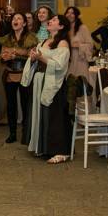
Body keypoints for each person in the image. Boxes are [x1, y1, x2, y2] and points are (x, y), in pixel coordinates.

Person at [27, 14, 72, 163]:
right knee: (42, 114)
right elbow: (37, 59)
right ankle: (44, 147)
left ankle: (61, 151)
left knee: (55, 116)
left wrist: (41, 58)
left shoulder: (62, 44)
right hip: (40, 80)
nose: (50, 21)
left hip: (53, 83)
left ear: (61, 26)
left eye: (54, 20)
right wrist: (33, 58)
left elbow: (60, 65)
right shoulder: (44, 41)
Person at [0, 13, 37, 144]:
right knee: (11, 105)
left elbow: (32, 59)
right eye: (14, 18)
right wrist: (5, 58)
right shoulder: (6, 39)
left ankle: (26, 133)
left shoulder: (31, 38)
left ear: (24, 23)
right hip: (9, 75)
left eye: (19, 19)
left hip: (25, 75)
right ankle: (12, 133)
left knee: (25, 105)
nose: (15, 20)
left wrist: (15, 56)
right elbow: (2, 58)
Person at [64, 6, 92, 79]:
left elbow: (90, 46)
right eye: (68, 13)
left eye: (72, 13)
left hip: (79, 61)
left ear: (77, 16)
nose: (69, 15)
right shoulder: (64, 30)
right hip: (67, 61)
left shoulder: (83, 28)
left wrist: (76, 45)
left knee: (80, 81)